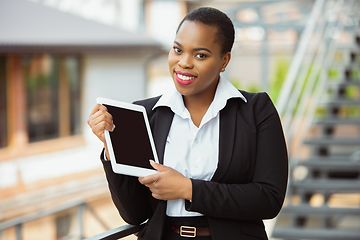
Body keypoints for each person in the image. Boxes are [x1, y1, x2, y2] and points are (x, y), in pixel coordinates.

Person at [87, 7, 288, 240]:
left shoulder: (255, 110)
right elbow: (134, 214)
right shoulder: (146, 114)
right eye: (177, 49)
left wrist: (188, 188)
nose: (184, 63)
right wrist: (113, 148)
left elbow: (269, 199)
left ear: (224, 61)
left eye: (200, 55)